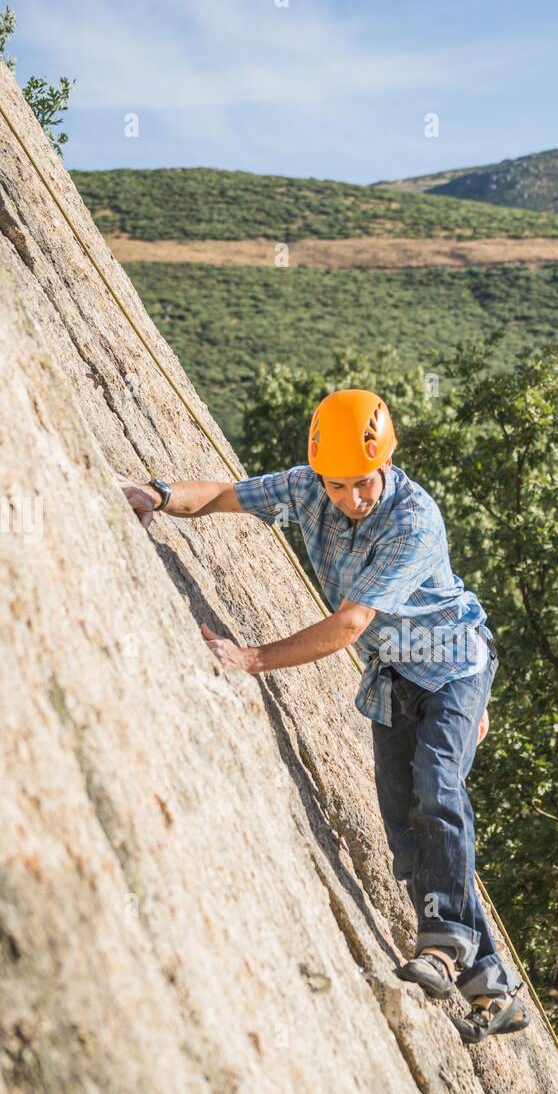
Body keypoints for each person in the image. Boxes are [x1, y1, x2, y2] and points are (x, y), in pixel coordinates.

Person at [116, 388, 528, 1043]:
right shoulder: (307, 488)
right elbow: (224, 495)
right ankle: (494, 989)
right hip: (394, 672)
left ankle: (444, 945)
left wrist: (252, 658)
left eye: (362, 484)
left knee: (438, 782)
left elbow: (350, 622)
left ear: (385, 466)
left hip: (452, 665)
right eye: (337, 485)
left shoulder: (413, 520)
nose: (350, 499)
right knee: (403, 825)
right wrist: (159, 495)